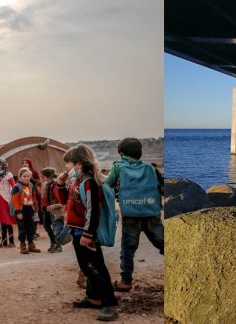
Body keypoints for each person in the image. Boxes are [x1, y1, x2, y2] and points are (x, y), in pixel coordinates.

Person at [64, 145, 118, 321]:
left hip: (86, 233)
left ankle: (109, 303)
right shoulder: (79, 181)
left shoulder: (89, 182)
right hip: (77, 230)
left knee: (96, 267)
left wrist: (88, 235)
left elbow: (93, 210)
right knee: (86, 266)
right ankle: (93, 298)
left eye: (69, 163)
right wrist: (59, 184)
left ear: (78, 164)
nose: (66, 167)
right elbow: (71, 201)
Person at [104, 137, 165, 292]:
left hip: (131, 214)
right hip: (151, 212)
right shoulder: (150, 168)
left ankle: (126, 281)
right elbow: (161, 186)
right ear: (140, 152)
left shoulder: (118, 167)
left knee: (128, 248)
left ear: (121, 153)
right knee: (162, 242)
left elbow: (107, 185)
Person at [11, 168, 41, 254]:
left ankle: (31, 245)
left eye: (28, 176)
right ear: (20, 177)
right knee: (22, 227)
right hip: (21, 209)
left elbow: (33, 196)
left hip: (29, 208)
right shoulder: (16, 187)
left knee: (30, 227)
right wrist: (18, 212)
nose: (26, 178)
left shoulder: (31, 185)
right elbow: (15, 200)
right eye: (24, 176)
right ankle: (22, 245)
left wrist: (34, 208)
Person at [40, 167, 68, 253]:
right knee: (46, 225)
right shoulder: (46, 184)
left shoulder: (55, 184)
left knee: (56, 226)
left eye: (42, 176)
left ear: (48, 177)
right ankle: (53, 242)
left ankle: (57, 245)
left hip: (55, 210)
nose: (41, 178)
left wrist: (54, 206)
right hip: (47, 210)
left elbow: (59, 198)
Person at [0, 159, 16, 248]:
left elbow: (14, 186)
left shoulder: (8, 174)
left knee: (7, 221)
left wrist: (15, 198)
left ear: (4, 165)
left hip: (6, 199)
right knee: (2, 221)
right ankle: (4, 242)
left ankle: (12, 242)